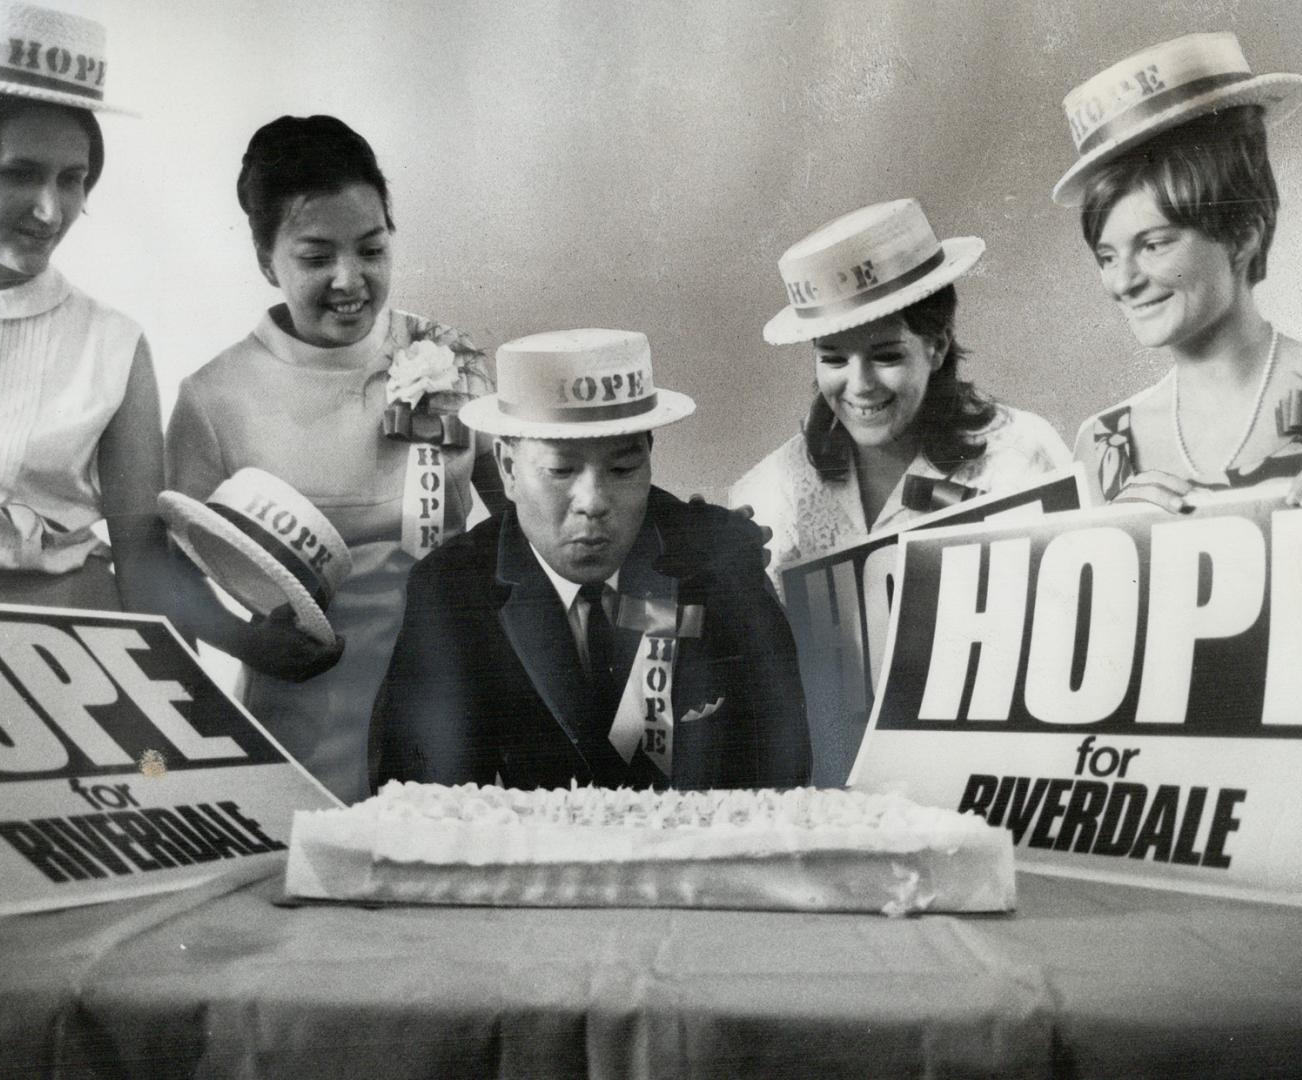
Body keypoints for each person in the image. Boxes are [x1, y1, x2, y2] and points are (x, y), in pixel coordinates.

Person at [0, 0, 335, 680]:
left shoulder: (111, 344)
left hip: (58, 660)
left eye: (72, 179)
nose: (52, 210)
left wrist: (246, 642)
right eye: (20, 173)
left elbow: (141, 559)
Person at [166, 115, 501, 803]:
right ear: (267, 261)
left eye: (371, 250)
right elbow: (167, 579)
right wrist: (242, 641)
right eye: (316, 257)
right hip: (306, 712)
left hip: (455, 702)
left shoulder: (448, 356)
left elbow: (529, 515)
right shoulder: (213, 396)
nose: (350, 280)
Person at [370, 328, 811, 792]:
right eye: (561, 470)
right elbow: (426, 804)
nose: (593, 501)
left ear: (649, 459)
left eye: (623, 469)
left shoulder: (719, 561)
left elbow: (782, 773)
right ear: (507, 469)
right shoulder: (451, 590)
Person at [1055, 32, 1302, 510]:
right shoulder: (1101, 445)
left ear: (1243, 234)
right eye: (1107, 256)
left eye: (1154, 244)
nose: (1123, 282)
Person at [731, 199, 1070, 582]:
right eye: (834, 360)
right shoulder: (776, 487)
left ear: (938, 346)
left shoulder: (1020, 456)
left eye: (886, 356)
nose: (860, 386)